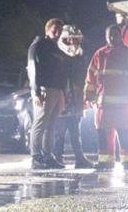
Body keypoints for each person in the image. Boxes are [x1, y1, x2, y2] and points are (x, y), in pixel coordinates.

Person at [84, 25, 128, 170]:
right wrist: (89, 97)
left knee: (126, 132)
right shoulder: (99, 54)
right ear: (106, 37)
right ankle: (105, 162)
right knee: (104, 134)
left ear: (121, 36)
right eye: (110, 35)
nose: (113, 37)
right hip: (103, 104)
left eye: (116, 34)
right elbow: (90, 77)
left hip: (125, 103)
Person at [27, 18, 67, 169]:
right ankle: (36, 157)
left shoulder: (56, 48)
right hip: (44, 89)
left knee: (51, 125)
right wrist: (36, 91)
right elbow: (33, 69)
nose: (57, 33)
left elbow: (62, 73)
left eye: (59, 31)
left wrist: (62, 92)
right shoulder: (38, 45)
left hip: (56, 90)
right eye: (54, 30)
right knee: (40, 123)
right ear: (47, 30)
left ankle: (48, 156)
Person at [53, 25, 94, 168]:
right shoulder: (57, 55)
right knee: (59, 131)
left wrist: (85, 97)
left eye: (77, 40)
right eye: (71, 40)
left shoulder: (80, 56)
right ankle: (57, 157)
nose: (74, 43)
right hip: (61, 96)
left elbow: (83, 76)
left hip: (75, 97)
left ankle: (79, 158)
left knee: (75, 129)